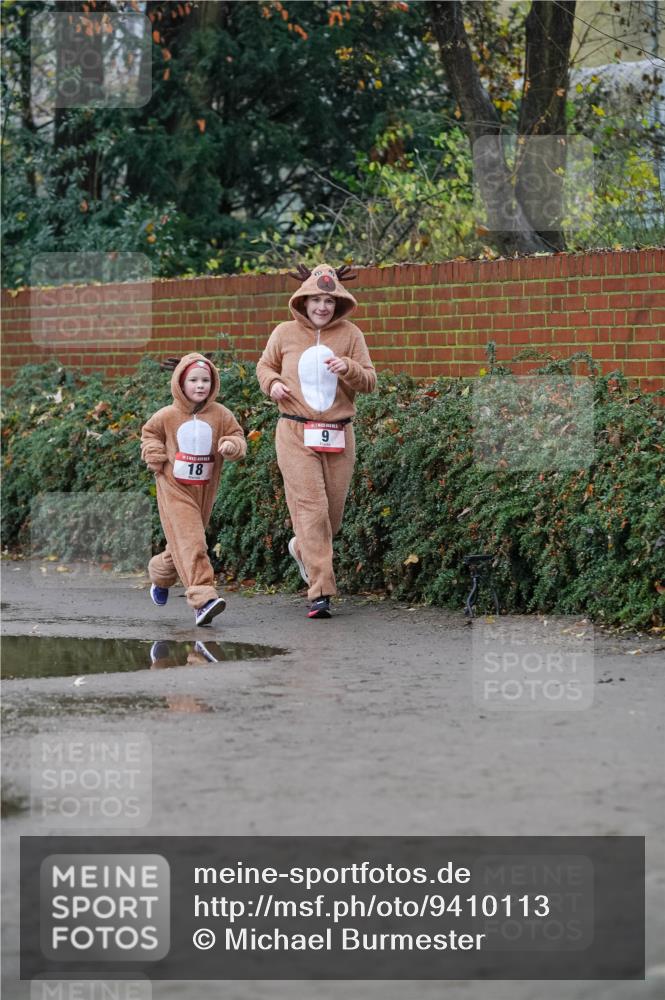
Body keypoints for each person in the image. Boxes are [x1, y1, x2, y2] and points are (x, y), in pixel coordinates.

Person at [256, 263, 376, 619]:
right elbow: (264, 367)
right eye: (316, 300)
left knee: (330, 520)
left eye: (329, 301)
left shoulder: (351, 334)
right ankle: (321, 592)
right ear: (303, 301)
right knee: (312, 509)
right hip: (295, 432)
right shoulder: (284, 333)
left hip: (339, 434)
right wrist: (273, 384)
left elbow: (370, 381)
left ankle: (302, 548)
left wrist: (349, 369)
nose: (322, 307)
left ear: (338, 304)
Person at [141, 352, 246, 626]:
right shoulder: (167, 415)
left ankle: (160, 572)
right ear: (180, 383)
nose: (200, 385)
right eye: (193, 380)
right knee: (194, 542)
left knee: (184, 543)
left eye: (205, 381)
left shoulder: (221, 414)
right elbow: (150, 435)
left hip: (204, 490)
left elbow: (237, 435)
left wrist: (232, 446)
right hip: (173, 486)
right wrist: (154, 454)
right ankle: (203, 599)